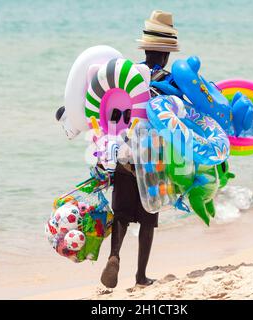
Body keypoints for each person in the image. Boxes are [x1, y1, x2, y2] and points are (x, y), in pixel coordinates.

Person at [100, 10, 179, 289]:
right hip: (153, 159)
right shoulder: (171, 82)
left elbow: (107, 107)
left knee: (121, 213)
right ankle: (141, 275)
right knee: (148, 217)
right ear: (167, 55)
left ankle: (114, 256)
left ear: (144, 48)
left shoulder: (128, 75)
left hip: (124, 153)